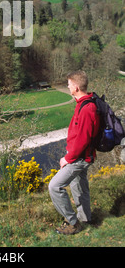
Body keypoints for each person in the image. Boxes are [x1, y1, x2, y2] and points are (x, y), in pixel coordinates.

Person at [48, 70, 100, 235]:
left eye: (69, 84)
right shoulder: (85, 103)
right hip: (82, 156)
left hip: (79, 158)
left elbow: (82, 140)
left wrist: (67, 158)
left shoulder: (86, 108)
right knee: (79, 187)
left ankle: (72, 222)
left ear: (76, 87)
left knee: (55, 186)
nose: (67, 86)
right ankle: (85, 219)